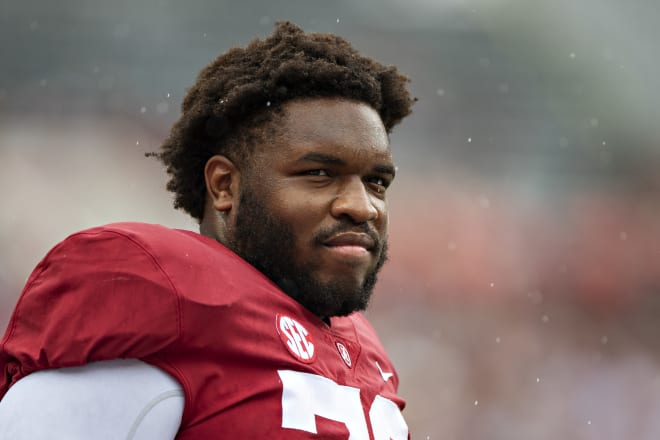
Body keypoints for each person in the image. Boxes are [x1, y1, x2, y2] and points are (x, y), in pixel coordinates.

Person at [0, 21, 415, 439]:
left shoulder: (362, 347)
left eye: (377, 182)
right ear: (224, 185)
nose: (362, 206)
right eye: (319, 173)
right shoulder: (165, 313)